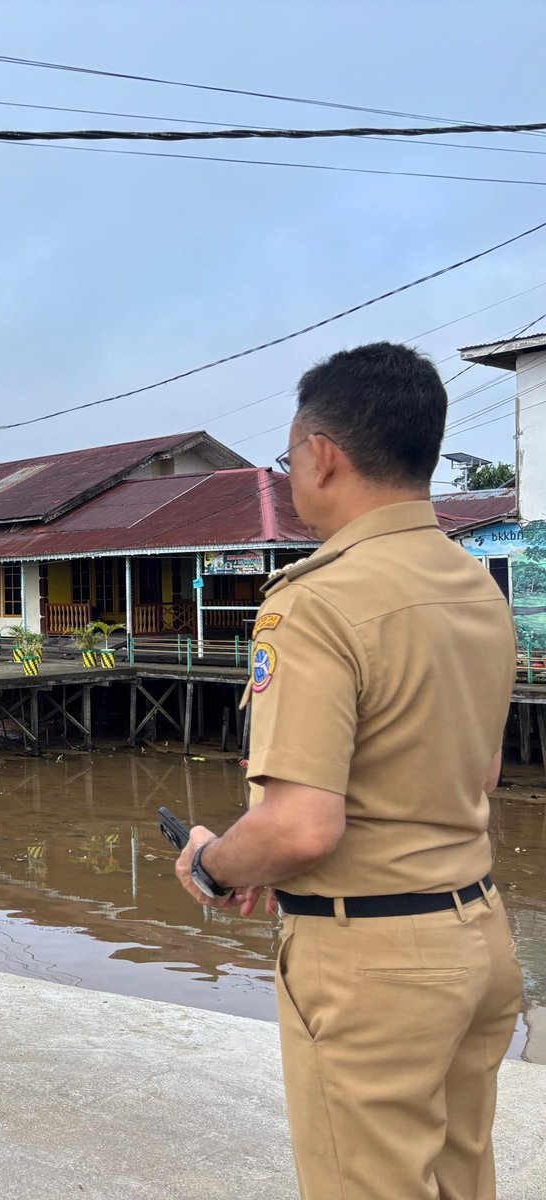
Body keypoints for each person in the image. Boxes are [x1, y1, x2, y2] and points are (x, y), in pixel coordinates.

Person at [174, 342, 523, 1200]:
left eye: (290, 455)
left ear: (323, 454)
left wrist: (215, 864)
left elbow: (301, 828)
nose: (292, 472)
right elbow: (478, 774)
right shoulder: (477, 587)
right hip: (479, 938)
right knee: (460, 1180)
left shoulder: (317, 600)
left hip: (375, 961)